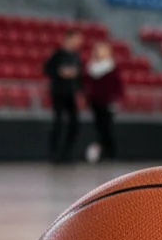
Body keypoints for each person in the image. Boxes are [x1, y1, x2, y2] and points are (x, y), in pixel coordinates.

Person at [44, 30, 84, 164]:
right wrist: (60, 72)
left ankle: (68, 153)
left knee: (74, 123)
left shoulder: (76, 56)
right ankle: (54, 154)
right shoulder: (58, 55)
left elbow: (79, 76)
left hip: (71, 93)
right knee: (58, 122)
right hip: (59, 92)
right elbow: (47, 70)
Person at [84, 42, 124, 162]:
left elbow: (117, 85)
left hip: (107, 101)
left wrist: (116, 100)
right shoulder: (91, 67)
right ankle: (102, 152)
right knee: (99, 127)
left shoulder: (111, 67)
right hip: (95, 101)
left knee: (107, 127)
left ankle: (110, 152)